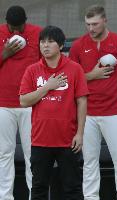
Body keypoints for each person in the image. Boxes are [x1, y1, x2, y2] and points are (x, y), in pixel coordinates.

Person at [69, 5, 117, 200]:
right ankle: (91, 197)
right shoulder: (77, 46)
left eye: (95, 24)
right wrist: (92, 75)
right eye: (88, 24)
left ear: (105, 21)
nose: (91, 28)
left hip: (114, 111)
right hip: (87, 113)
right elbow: (71, 79)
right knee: (90, 160)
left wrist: (114, 88)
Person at [19, 26, 89, 200]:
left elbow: (82, 101)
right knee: (39, 188)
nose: (45, 45)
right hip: (40, 140)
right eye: (42, 41)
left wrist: (80, 133)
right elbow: (23, 101)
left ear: (61, 45)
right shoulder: (32, 70)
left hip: (68, 139)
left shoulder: (74, 69)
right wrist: (47, 87)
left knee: (72, 188)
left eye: (50, 41)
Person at [0, 5, 42, 199]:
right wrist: (5, 53)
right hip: (3, 103)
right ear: (5, 22)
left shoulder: (37, 33)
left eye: (20, 27)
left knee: (32, 154)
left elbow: (49, 63)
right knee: (4, 153)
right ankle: (5, 196)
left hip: (30, 103)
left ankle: (35, 195)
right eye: (12, 28)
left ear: (26, 20)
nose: (16, 32)